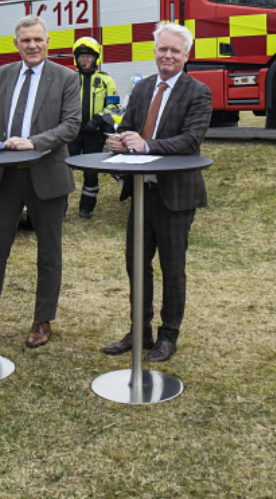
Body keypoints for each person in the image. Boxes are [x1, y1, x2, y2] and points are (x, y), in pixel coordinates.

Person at [0, 15, 80, 348]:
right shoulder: (2, 75)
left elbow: (71, 126)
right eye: (26, 40)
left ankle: (42, 321)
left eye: (38, 39)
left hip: (47, 175)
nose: (32, 45)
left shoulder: (66, 78)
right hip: (5, 176)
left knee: (49, 253)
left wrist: (34, 141)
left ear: (48, 42)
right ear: (16, 43)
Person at [101, 22, 211, 363]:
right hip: (141, 190)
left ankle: (168, 336)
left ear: (186, 55)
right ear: (154, 51)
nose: (168, 55)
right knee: (137, 265)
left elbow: (190, 141)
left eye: (175, 51)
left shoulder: (198, 92)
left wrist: (146, 144)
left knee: (172, 267)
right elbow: (128, 127)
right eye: (163, 49)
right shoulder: (144, 87)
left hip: (176, 195)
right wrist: (119, 140)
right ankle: (140, 331)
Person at [66, 37, 117, 219]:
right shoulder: (69, 78)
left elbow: (114, 106)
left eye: (88, 56)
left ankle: (86, 207)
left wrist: (97, 119)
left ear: (95, 58)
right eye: (81, 57)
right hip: (72, 132)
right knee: (64, 168)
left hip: (94, 133)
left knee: (91, 171)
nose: (84, 60)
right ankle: (60, 207)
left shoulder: (105, 80)